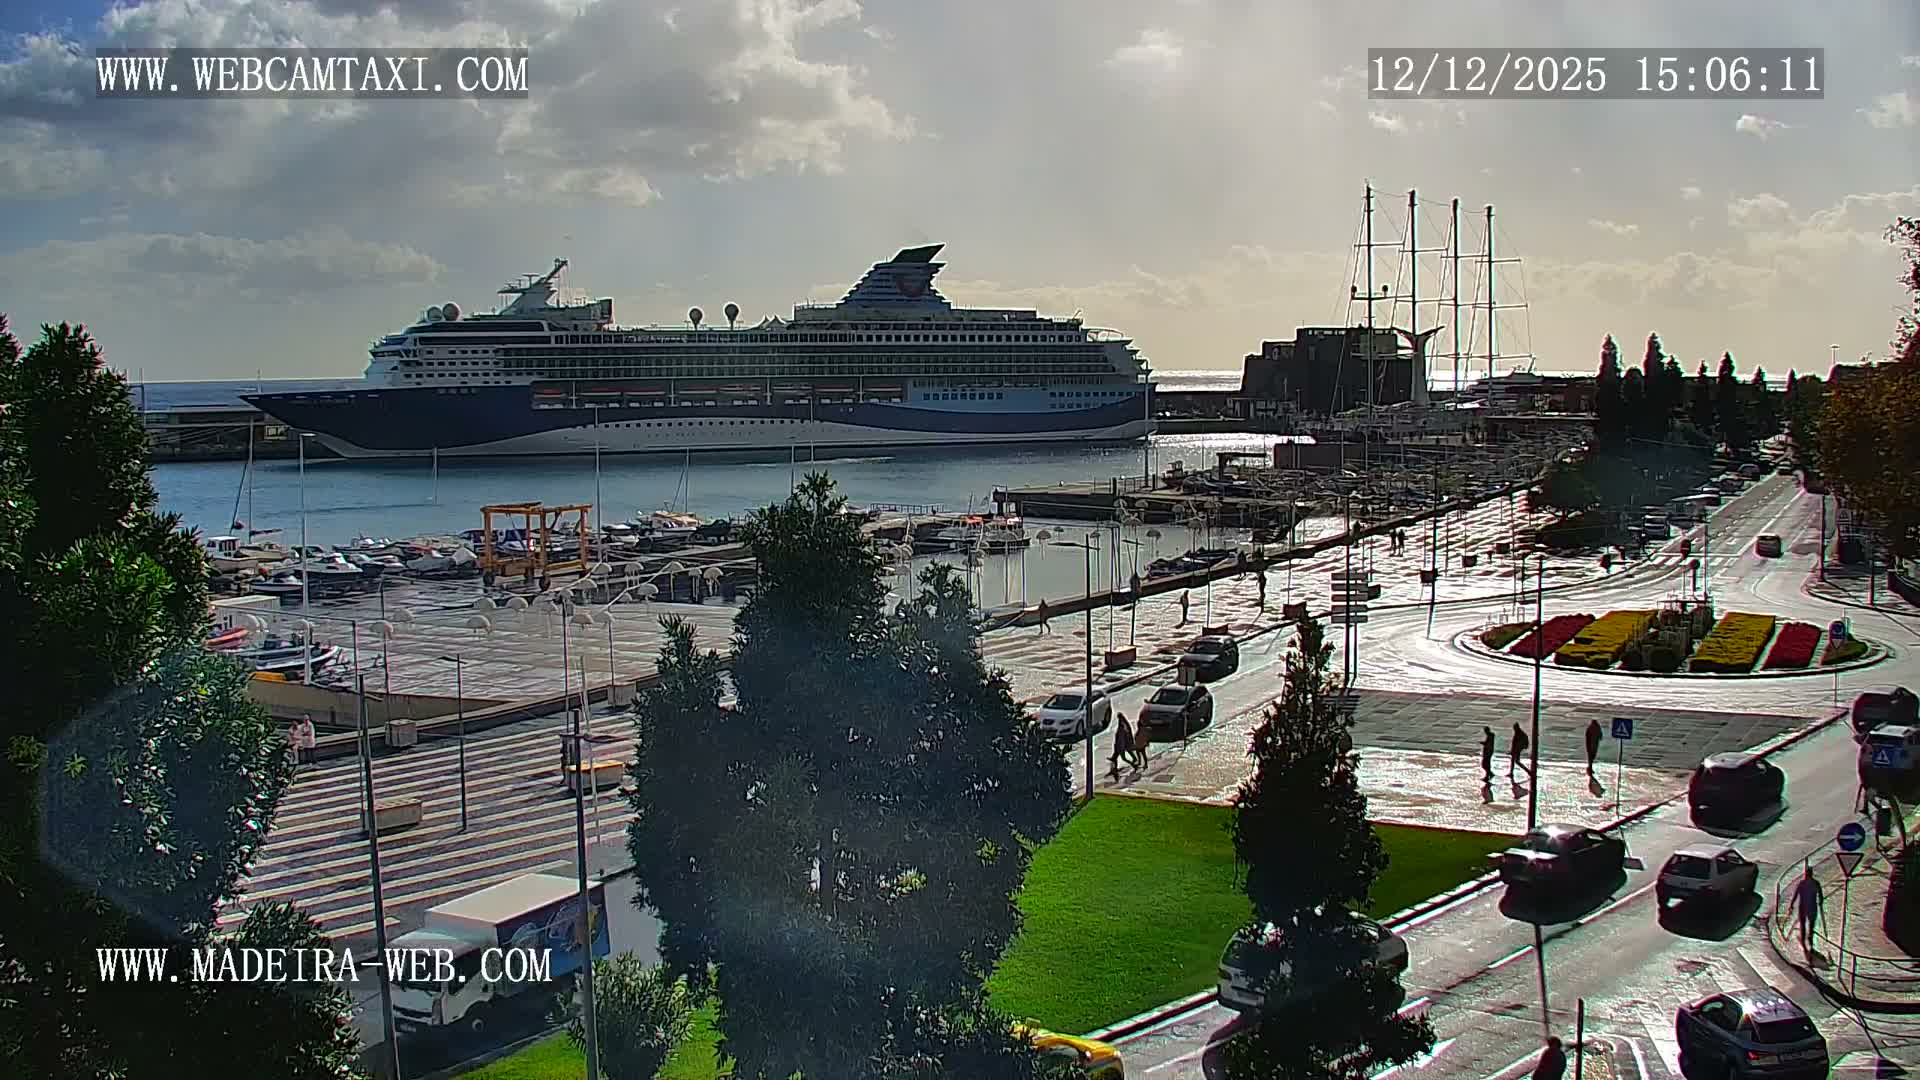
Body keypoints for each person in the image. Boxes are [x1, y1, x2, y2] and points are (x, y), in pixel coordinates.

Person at [1787, 867, 1824, 951]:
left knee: (1802, 924)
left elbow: (1795, 895)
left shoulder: (1802, 883)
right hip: (1812, 907)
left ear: (1805, 874)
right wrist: (1820, 902)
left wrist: (1791, 904)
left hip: (1803, 907)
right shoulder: (1816, 883)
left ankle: (1803, 939)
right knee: (1811, 925)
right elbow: (1821, 895)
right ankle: (1810, 939)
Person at [1110, 714, 1135, 779]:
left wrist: (1120, 748)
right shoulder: (1124, 726)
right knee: (1114, 758)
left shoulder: (1121, 730)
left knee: (1122, 758)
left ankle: (1133, 765)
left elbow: (1121, 740)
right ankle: (1114, 770)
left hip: (1120, 747)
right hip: (1119, 746)